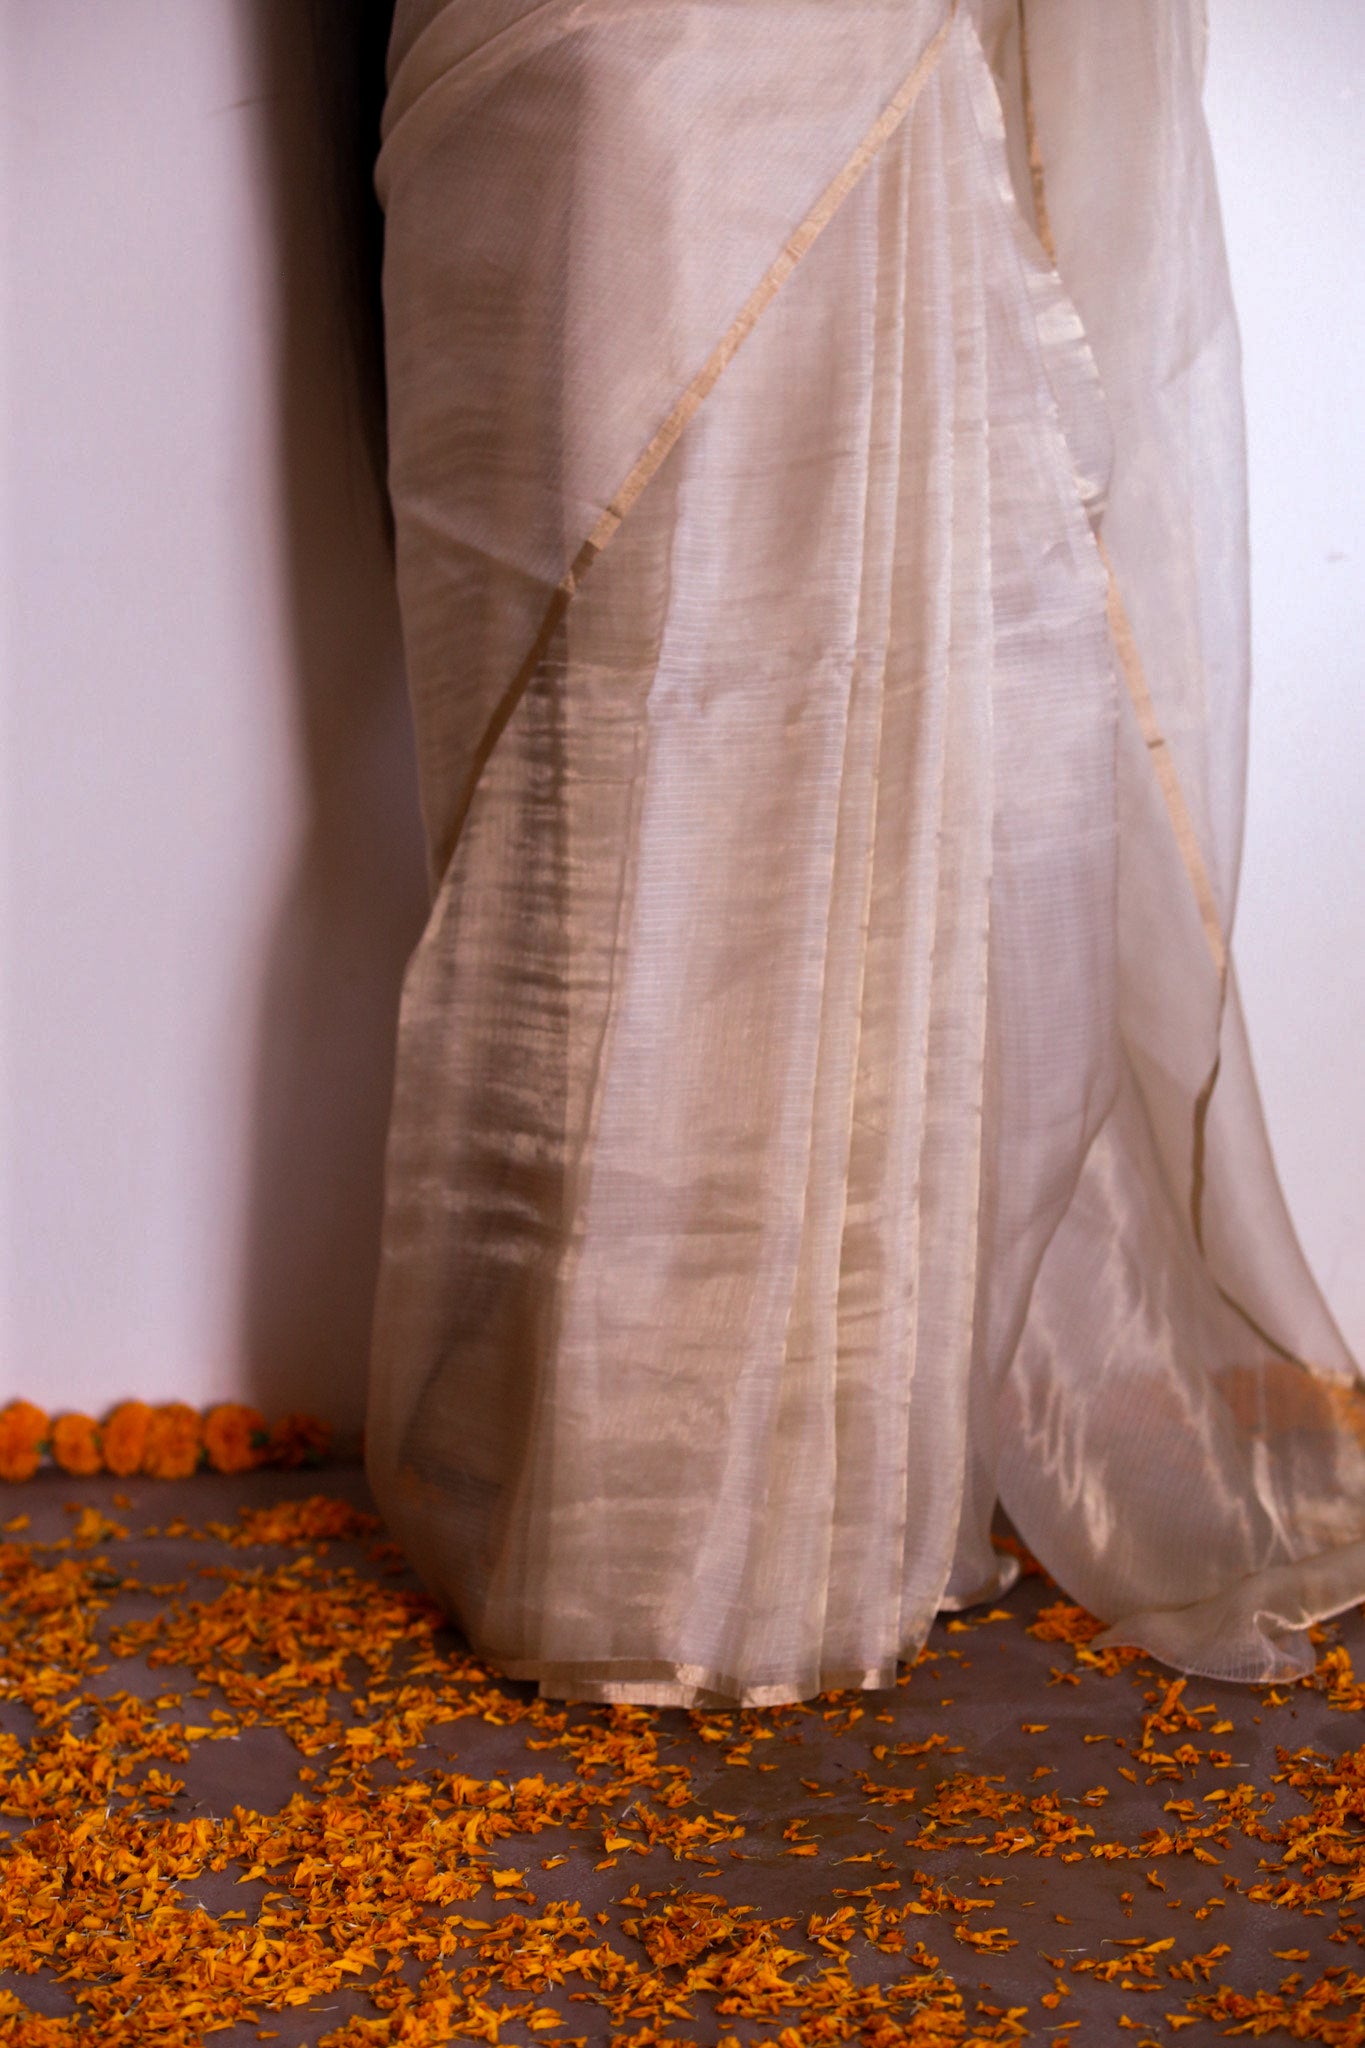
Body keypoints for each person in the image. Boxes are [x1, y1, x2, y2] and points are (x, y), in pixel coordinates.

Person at [363, 0, 1365, 1707]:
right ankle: (607, 1493)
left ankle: (773, 1504)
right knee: (591, 744)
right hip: (562, 71)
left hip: (852, 58)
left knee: (834, 700)